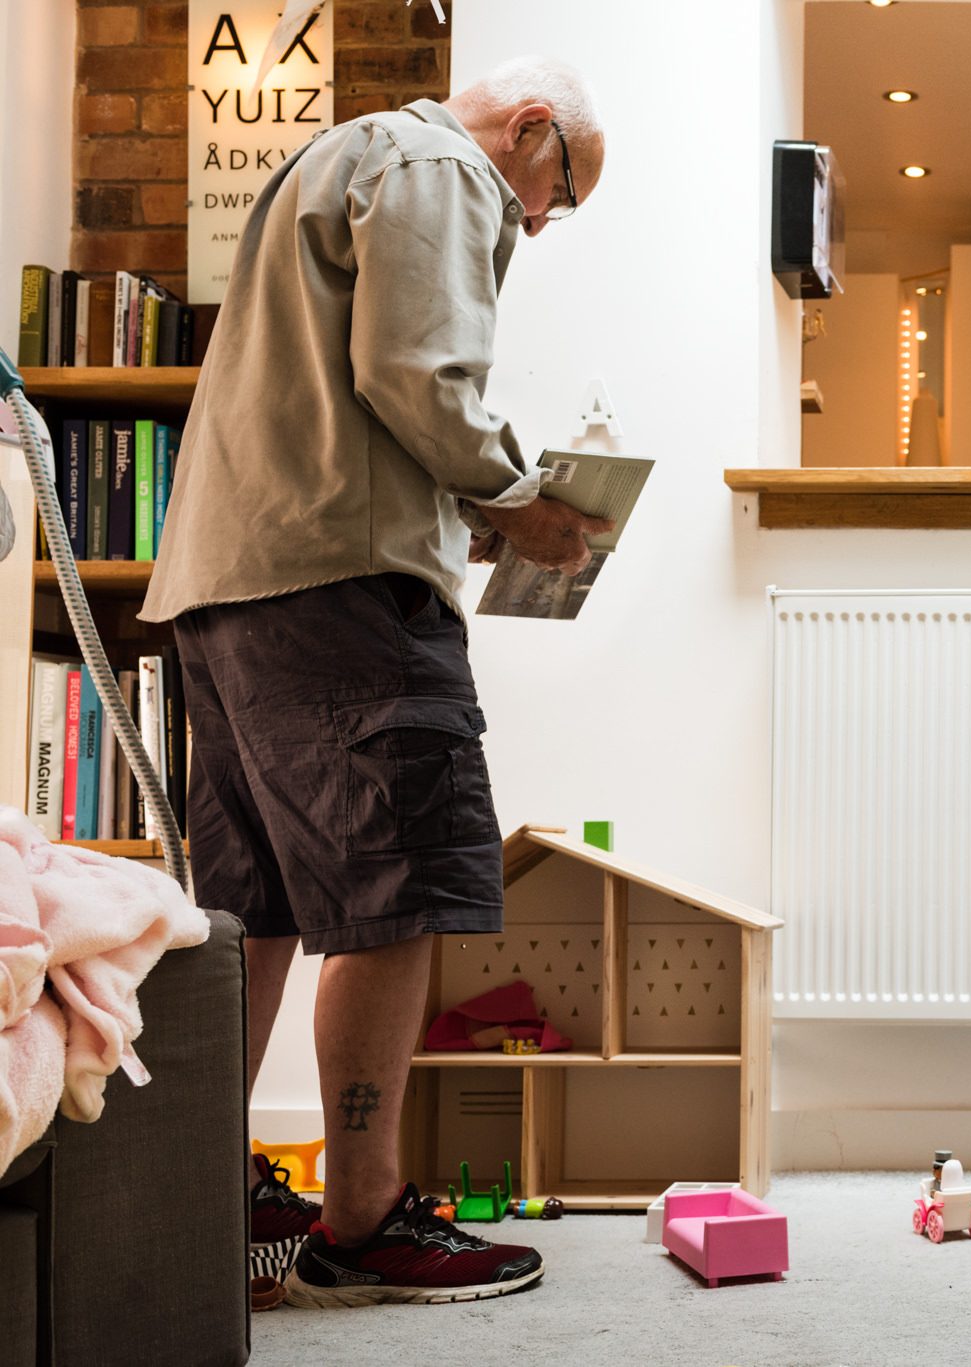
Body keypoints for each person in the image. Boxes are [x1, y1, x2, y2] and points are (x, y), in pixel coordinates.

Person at [138, 57, 612, 1308]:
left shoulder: (335, 159)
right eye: (557, 194)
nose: (543, 222)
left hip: (231, 586)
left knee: (257, 907)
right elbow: (418, 375)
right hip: (343, 589)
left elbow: (353, 388)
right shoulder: (442, 165)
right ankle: (364, 1220)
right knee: (398, 895)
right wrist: (527, 497)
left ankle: (205, 1192)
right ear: (529, 130)